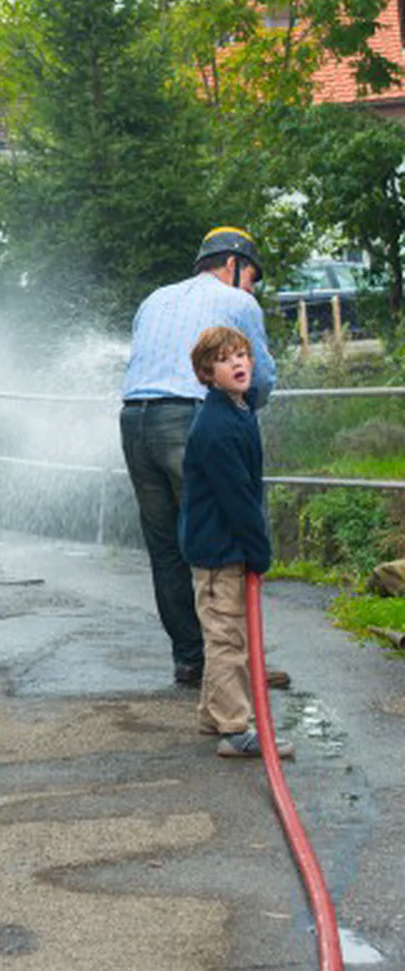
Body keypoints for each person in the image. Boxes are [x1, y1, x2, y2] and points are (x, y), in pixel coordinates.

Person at [122, 226, 287, 690]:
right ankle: (239, 665)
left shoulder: (154, 299)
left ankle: (192, 660)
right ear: (233, 265)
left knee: (166, 548)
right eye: (251, 277)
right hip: (189, 420)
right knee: (224, 538)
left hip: (134, 421)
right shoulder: (238, 302)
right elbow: (260, 377)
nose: (251, 288)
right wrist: (243, 412)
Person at [180, 326, 293, 759]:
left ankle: (213, 714)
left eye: (242, 355)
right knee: (227, 639)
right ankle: (235, 729)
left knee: (226, 634)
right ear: (207, 374)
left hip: (224, 545)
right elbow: (237, 496)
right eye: (225, 360)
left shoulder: (237, 410)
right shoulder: (217, 427)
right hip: (218, 551)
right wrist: (258, 549)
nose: (238, 363)